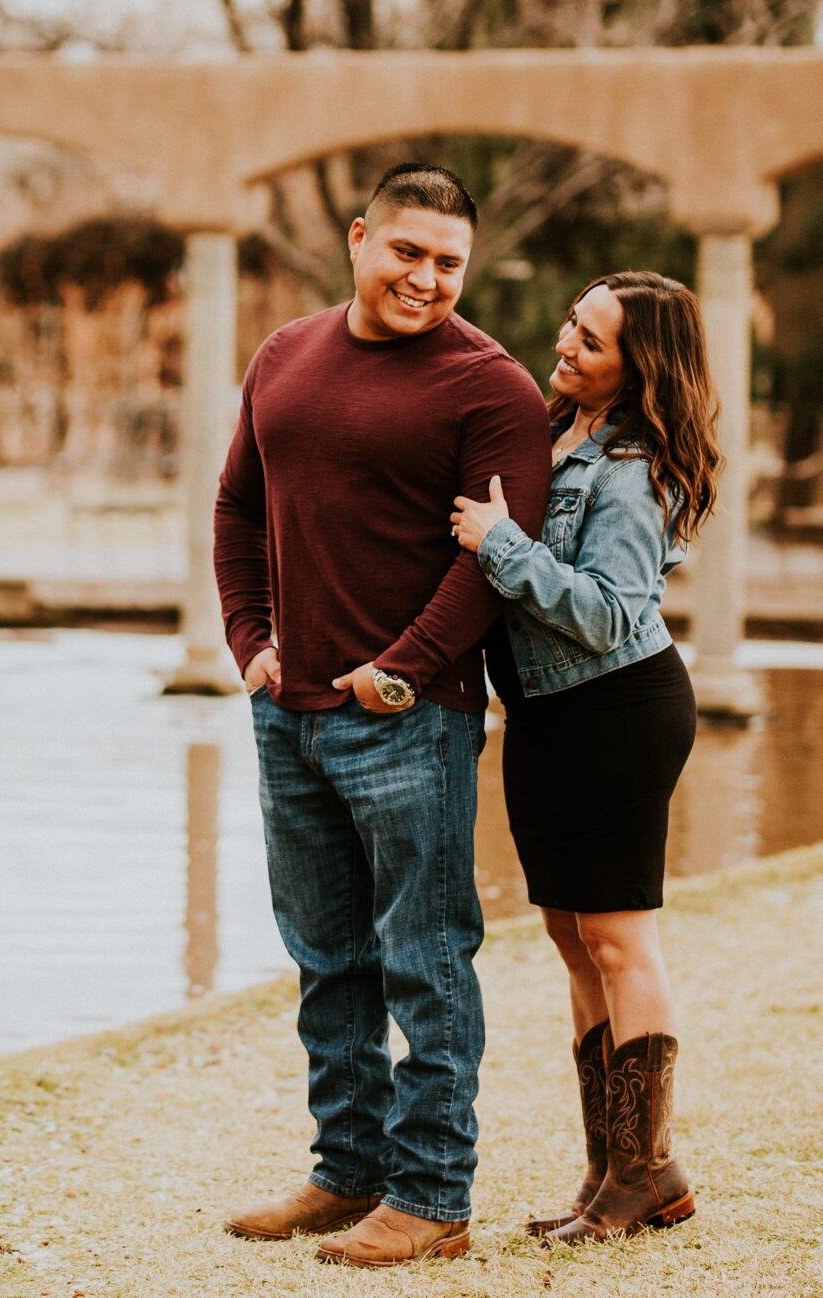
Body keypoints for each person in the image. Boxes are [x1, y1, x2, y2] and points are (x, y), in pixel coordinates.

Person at [213, 162, 551, 1267]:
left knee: (425, 958)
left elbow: (497, 561)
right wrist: (248, 642)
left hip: (413, 719)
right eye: (406, 252)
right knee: (324, 955)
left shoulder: (489, 388)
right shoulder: (282, 355)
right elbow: (235, 506)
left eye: (448, 263)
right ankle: (344, 1172)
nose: (425, 278)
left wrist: (395, 672)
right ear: (360, 239)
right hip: (287, 712)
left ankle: (431, 1196)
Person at [451, 271, 718, 1245]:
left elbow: (608, 612)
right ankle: (613, 1168)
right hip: (550, 719)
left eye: (591, 340)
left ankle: (644, 1172)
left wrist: (499, 546)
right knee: (569, 937)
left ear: (636, 367)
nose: (565, 343)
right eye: (571, 321)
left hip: (615, 712)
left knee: (617, 940)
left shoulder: (632, 467)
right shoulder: (554, 433)